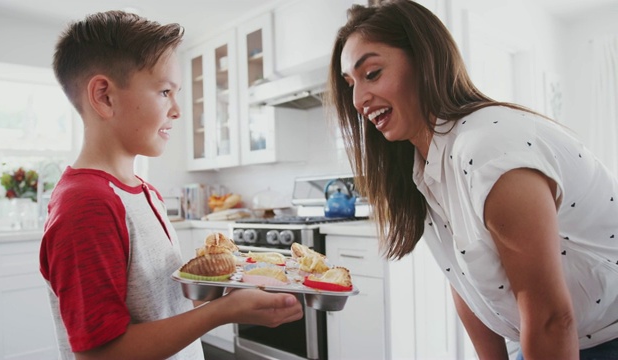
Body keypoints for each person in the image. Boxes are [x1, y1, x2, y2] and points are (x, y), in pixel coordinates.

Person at [326, 1, 618, 359]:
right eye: (349, 84)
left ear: (424, 61)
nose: (357, 100)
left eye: (371, 74)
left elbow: (551, 321)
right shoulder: (425, 165)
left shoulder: (489, 152)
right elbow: (467, 283)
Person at [39, 10, 302, 359]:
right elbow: (100, 354)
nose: (177, 110)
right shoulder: (87, 205)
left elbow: (160, 307)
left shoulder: (144, 193)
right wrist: (222, 312)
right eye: (165, 91)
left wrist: (224, 289)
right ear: (104, 96)